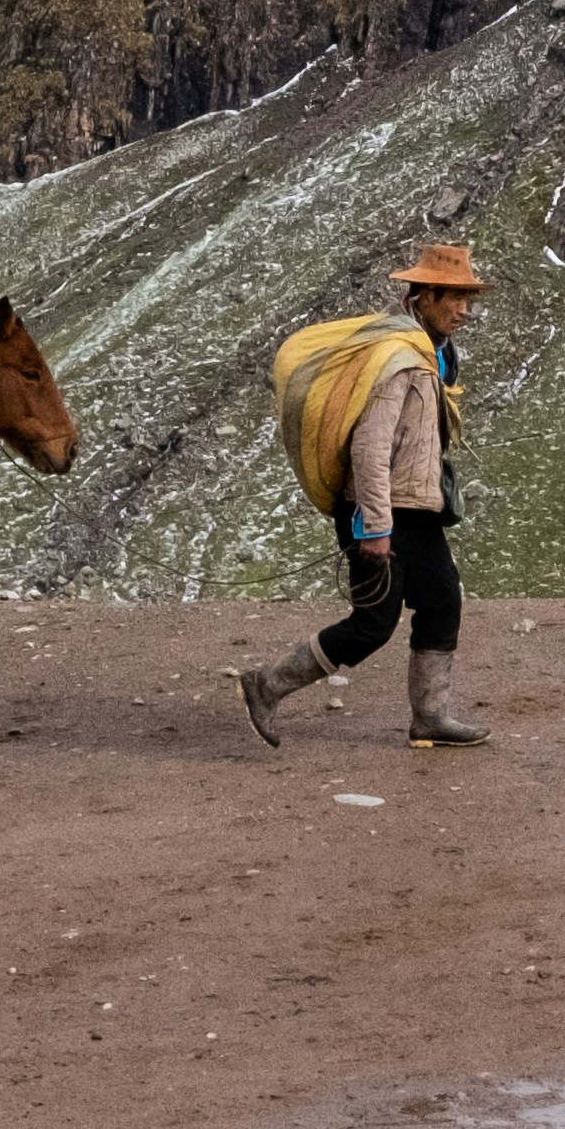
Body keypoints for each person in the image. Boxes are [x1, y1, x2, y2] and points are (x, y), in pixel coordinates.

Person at [239, 240, 484, 750]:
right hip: (382, 511)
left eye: (469, 299)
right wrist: (374, 528)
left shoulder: (429, 356)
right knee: (373, 624)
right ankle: (267, 684)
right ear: (424, 296)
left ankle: (431, 717)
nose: (465, 311)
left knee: (441, 603)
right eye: (455, 298)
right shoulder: (398, 360)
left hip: (416, 510)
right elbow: (369, 448)